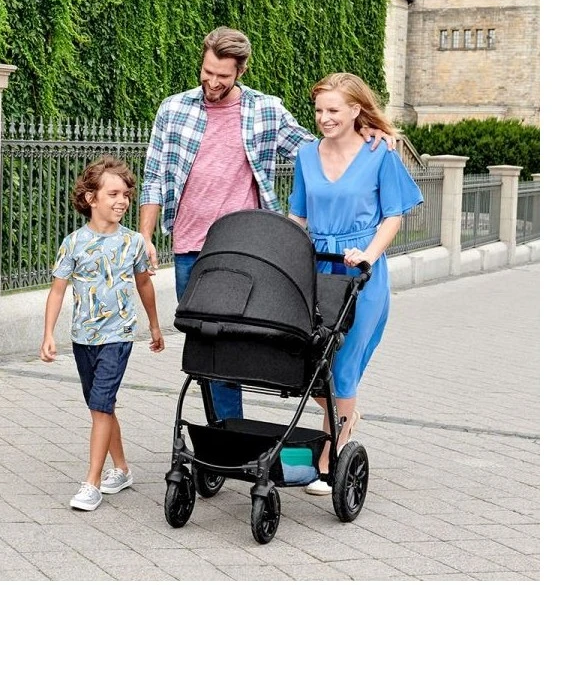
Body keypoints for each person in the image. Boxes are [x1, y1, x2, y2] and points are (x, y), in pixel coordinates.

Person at [139, 26, 395, 420]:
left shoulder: (265, 110)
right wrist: (146, 235)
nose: (213, 82)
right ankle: (226, 432)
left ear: (240, 71)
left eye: (223, 76)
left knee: (245, 345)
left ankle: (312, 416)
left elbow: (318, 148)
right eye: (207, 72)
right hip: (190, 248)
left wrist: (364, 130)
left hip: (245, 250)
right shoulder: (173, 110)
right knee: (206, 348)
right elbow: (154, 176)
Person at [287, 72, 424, 495]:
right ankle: (345, 417)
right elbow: (298, 216)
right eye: (318, 110)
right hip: (316, 270)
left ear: (355, 110)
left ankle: (330, 457)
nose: (324, 118)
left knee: (343, 366)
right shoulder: (306, 155)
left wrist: (369, 253)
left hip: (360, 274)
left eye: (333, 110)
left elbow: (394, 215)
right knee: (307, 365)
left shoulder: (380, 153)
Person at [40, 155, 165, 511]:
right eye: (113, 194)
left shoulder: (134, 243)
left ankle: (91, 483)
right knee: (102, 407)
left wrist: (154, 325)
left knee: (100, 405)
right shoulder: (73, 243)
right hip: (83, 338)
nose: (122, 201)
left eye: (126, 194)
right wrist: (48, 334)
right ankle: (122, 469)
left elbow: (144, 284)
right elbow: (57, 290)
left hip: (118, 335)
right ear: (91, 198)